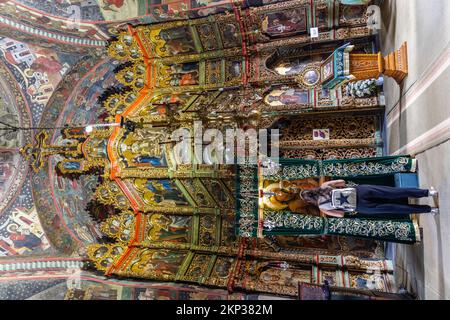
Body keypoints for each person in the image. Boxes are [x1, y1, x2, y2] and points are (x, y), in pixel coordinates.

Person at [299, 180, 439, 217]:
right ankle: (428, 193)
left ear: (309, 201)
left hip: (360, 207)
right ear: (311, 190)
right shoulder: (324, 186)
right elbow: (341, 181)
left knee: (394, 208)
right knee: (395, 192)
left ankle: (430, 210)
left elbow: (341, 214)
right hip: (361, 191)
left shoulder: (322, 207)